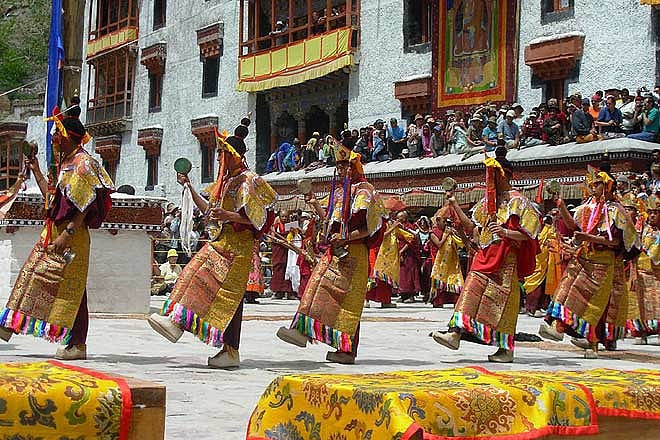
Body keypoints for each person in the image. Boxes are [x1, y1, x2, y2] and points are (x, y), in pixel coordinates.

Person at [147, 125, 277, 369]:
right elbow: (209, 210)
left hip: (238, 249)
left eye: (221, 153)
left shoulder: (250, 181)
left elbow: (260, 218)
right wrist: (189, 187)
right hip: (222, 243)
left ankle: (225, 347)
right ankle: (178, 322)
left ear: (232, 155)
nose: (218, 158)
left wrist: (229, 215)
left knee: (222, 293)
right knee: (193, 274)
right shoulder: (226, 182)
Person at [0, 114, 115, 361]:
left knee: (72, 288)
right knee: (34, 272)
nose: (53, 138)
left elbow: (85, 205)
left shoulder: (84, 163)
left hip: (72, 236)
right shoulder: (64, 163)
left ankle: (76, 343)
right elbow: (51, 199)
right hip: (53, 231)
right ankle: (12, 322)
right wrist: (36, 171)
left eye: (56, 133)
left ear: (67, 136)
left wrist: (67, 233)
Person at [276, 139, 387, 364]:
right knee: (316, 286)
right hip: (336, 251)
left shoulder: (365, 191)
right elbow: (330, 222)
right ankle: (303, 330)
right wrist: (315, 204)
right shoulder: (338, 192)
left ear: (353, 165)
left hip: (355, 253)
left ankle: (346, 350)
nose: (341, 169)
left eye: (344, 165)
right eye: (338, 166)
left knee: (349, 303)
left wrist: (347, 237)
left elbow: (372, 227)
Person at [432, 148, 541, 363]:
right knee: (471, 288)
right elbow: (473, 227)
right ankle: (455, 333)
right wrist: (454, 204)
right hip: (485, 256)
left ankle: (505, 350)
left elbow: (530, 235)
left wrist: (505, 232)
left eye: (493, 175)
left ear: (505, 175)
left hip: (507, 260)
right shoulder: (487, 202)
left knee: (504, 305)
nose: (489, 180)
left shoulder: (518, 202)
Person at [539, 166, 640, 359]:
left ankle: (591, 342)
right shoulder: (589, 207)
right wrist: (561, 205)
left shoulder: (616, 211)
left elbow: (616, 242)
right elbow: (573, 226)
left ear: (608, 186)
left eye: (597, 184)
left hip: (603, 262)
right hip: (583, 257)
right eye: (592, 184)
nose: (592, 187)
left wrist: (588, 238)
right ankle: (558, 327)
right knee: (565, 293)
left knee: (592, 304)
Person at [627, 196, 660, 344]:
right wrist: (633, 272)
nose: (652, 215)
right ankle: (640, 332)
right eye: (650, 212)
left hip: (657, 274)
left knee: (656, 302)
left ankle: (657, 331)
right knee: (639, 303)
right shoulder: (641, 229)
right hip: (641, 271)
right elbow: (635, 252)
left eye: (656, 213)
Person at [366, 216, 414, 308]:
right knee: (373, 276)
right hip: (377, 251)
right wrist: (392, 227)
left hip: (388, 255)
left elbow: (409, 236)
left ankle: (385, 301)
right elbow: (379, 237)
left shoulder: (390, 223)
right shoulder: (378, 222)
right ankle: (366, 299)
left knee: (386, 278)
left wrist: (403, 228)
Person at [522, 214, 561, 317]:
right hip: (535, 260)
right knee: (533, 285)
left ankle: (538, 307)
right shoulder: (531, 230)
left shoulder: (548, 229)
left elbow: (553, 239)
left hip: (544, 262)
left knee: (541, 286)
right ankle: (531, 308)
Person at [270, 211, 296, 299]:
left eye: (286, 217)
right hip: (278, 249)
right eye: (282, 216)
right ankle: (278, 292)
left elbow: (296, 236)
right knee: (278, 268)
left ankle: (289, 292)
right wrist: (279, 241)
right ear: (279, 217)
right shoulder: (275, 226)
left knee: (289, 268)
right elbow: (272, 237)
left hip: (289, 250)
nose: (284, 218)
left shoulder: (292, 225)